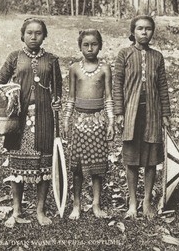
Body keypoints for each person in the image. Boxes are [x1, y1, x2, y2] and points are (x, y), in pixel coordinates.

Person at [0, 18, 62, 227]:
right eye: (29, 33)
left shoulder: (52, 60)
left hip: (44, 117)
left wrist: (57, 101)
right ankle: (17, 209)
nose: (33, 37)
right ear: (22, 35)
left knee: (43, 164)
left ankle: (40, 210)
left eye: (38, 33)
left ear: (44, 36)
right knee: (17, 165)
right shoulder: (15, 57)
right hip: (18, 118)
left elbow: (58, 90)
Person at [113, 15, 171, 219]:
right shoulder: (125, 54)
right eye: (139, 29)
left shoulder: (157, 57)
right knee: (131, 158)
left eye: (148, 29)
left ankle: (146, 201)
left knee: (151, 158)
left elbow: (162, 86)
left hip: (152, 113)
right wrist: (119, 112)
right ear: (133, 32)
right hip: (131, 113)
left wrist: (166, 114)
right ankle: (132, 202)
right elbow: (117, 84)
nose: (144, 32)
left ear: (152, 32)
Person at [63, 29, 114, 219]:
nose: (90, 48)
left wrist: (110, 122)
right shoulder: (75, 68)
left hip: (98, 121)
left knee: (97, 166)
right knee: (77, 167)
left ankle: (96, 204)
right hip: (79, 122)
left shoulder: (105, 69)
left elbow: (108, 97)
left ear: (100, 46)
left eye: (94, 44)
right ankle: (76, 204)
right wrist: (67, 120)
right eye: (86, 44)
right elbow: (70, 98)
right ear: (80, 46)